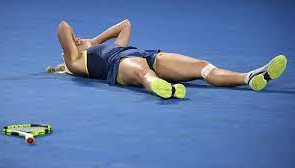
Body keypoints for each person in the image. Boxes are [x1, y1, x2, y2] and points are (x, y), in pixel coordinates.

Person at [47, 19, 287, 99]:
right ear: (67, 55)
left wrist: (93, 41)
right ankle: (167, 90)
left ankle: (250, 76)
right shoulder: (75, 62)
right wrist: (86, 44)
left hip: (145, 55)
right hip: (118, 66)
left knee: (202, 67)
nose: (77, 39)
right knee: (143, 74)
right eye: (73, 42)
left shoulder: (98, 47)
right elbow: (63, 27)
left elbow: (125, 25)